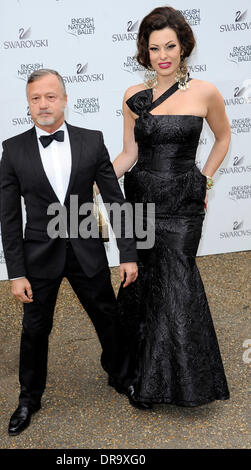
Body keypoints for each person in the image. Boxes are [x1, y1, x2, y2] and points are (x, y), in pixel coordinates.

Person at [0, 69, 138, 435]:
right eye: (35, 98)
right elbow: (10, 217)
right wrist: (16, 273)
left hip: (85, 247)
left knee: (108, 316)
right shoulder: (13, 149)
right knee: (34, 330)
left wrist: (129, 254)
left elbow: (115, 201)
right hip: (38, 256)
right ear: (28, 104)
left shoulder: (92, 141)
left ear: (64, 98)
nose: (43, 104)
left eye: (50, 96)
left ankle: (121, 376)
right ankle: (29, 397)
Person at [111, 6, 230, 408]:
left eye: (170, 46)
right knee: (143, 283)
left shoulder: (205, 92)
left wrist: (206, 178)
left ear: (183, 48)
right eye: (154, 47)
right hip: (141, 199)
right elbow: (129, 153)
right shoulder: (133, 97)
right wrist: (96, 180)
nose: (163, 55)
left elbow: (224, 137)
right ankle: (140, 372)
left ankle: (182, 382)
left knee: (176, 282)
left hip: (183, 202)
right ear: (145, 50)